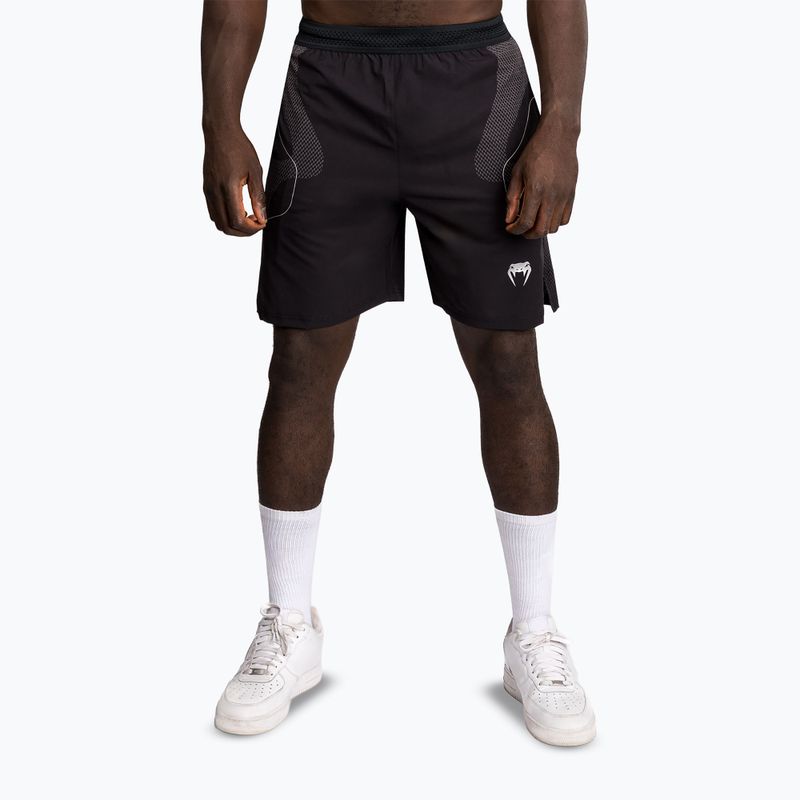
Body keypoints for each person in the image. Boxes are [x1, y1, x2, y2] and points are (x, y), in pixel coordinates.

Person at [201, 0, 593, 746]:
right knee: (301, 359)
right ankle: (289, 621)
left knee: (508, 361)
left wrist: (562, 128)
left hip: (476, 88)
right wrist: (220, 124)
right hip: (329, 86)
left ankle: (535, 632)